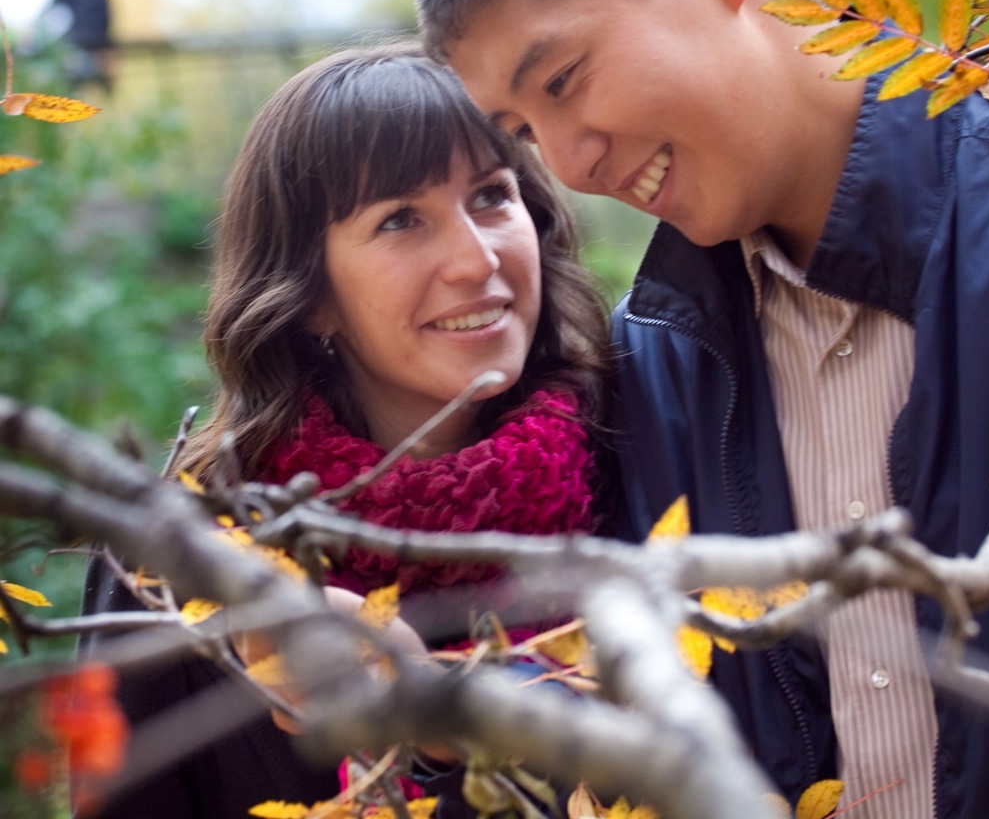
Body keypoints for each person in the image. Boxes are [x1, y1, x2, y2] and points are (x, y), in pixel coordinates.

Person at [415, 0, 989, 817]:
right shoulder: (651, 366)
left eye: (564, 79)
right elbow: (636, 718)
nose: (573, 163)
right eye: (524, 132)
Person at [80, 42, 610, 819]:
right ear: (310, 298)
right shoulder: (181, 561)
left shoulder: (638, 456)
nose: (475, 259)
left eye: (492, 196)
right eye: (400, 220)